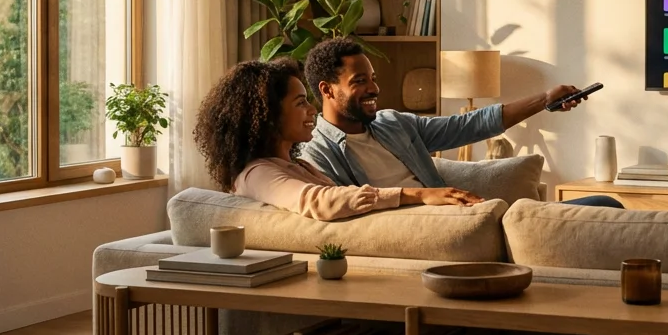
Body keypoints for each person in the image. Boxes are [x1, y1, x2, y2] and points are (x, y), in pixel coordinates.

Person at [298, 38, 621, 207]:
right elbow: (345, 209)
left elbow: (468, 125)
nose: (374, 89)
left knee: (604, 203)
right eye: (360, 81)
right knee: (601, 206)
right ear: (327, 90)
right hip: (435, 228)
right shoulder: (318, 154)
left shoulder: (392, 124)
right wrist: (421, 200)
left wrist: (543, 99)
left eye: (373, 78)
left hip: (463, 214)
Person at [193, 59, 485, 221]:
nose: (312, 109)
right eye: (300, 103)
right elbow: (318, 202)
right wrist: (417, 195)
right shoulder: (258, 174)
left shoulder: (297, 166)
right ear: (269, 116)